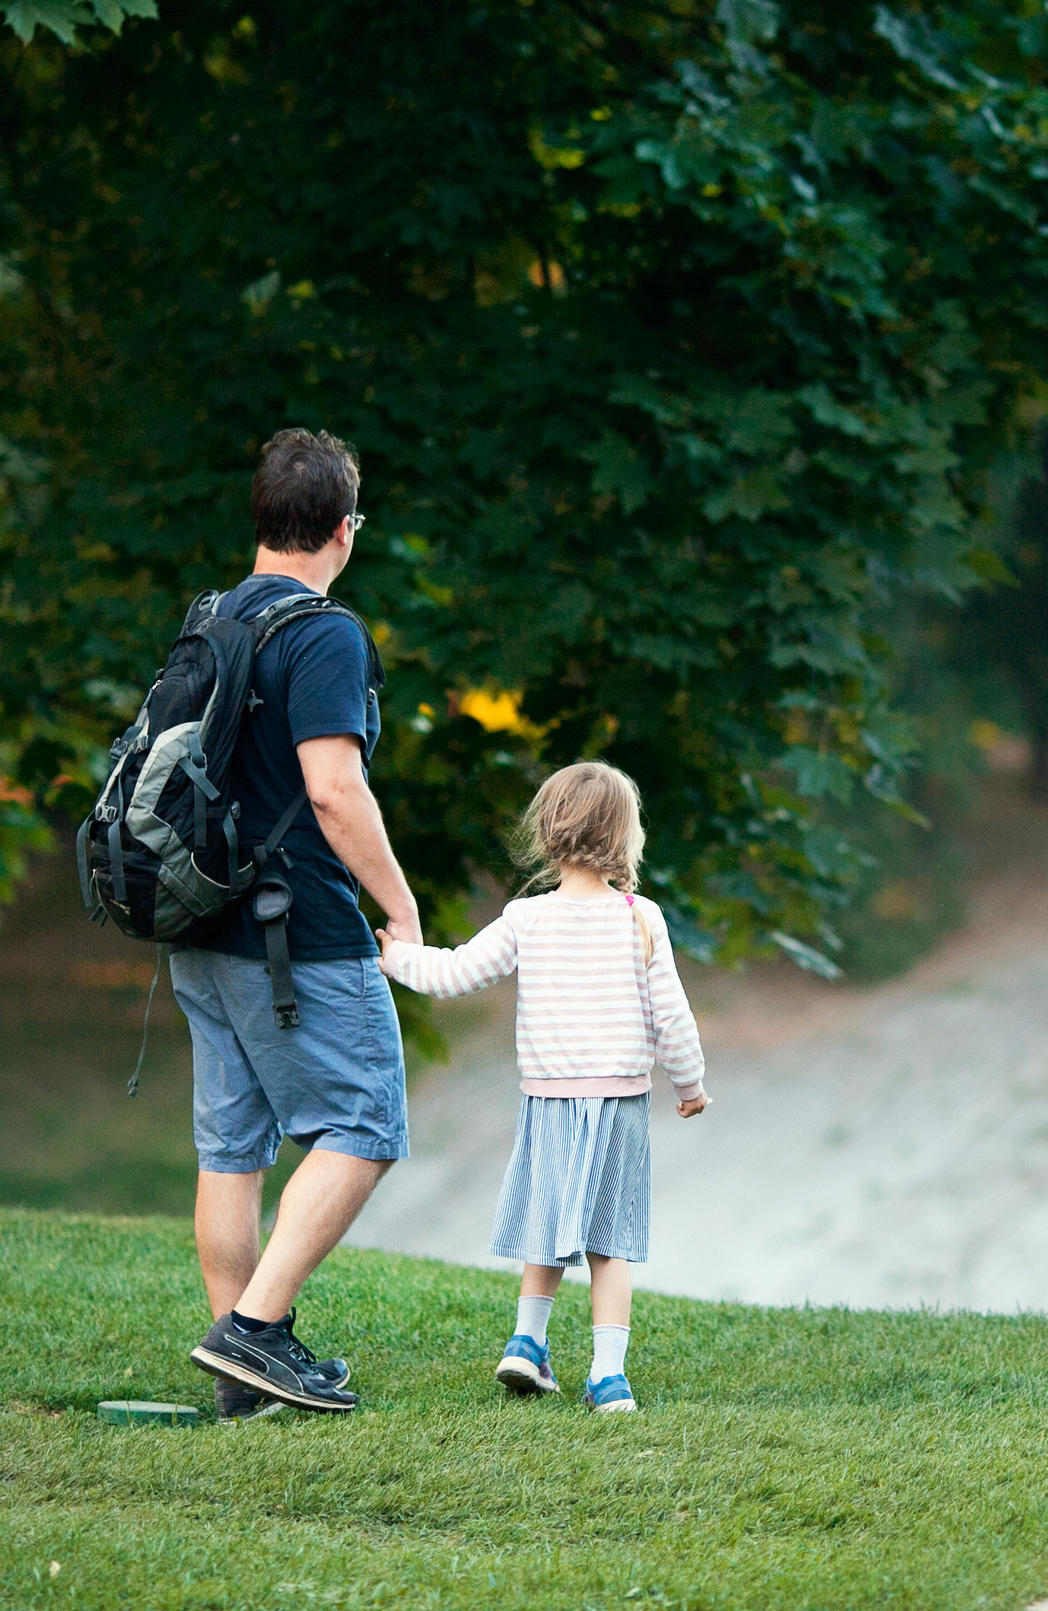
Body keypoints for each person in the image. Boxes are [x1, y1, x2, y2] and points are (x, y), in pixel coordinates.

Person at [178, 428, 423, 1422]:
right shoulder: (323, 634)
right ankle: (254, 1333)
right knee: (365, 1121)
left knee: (232, 1145)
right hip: (296, 932)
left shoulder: (211, 619)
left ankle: (242, 1372)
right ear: (340, 529)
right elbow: (332, 790)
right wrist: (399, 909)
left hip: (201, 922)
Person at [378, 762, 709, 1415]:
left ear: (549, 836)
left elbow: (455, 972)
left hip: (548, 1099)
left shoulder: (526, 918)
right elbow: (672, 1013)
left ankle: (527, 1343)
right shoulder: (640, 917)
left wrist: (397, 959)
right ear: (624, 837)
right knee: (609, 1242)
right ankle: (608, 1379)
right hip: (616, 1102)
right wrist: (690, 1083)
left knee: (546, 1225)